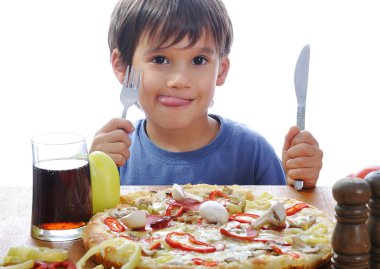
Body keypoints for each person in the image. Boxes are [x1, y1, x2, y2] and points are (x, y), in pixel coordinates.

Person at [90, 0, 323, 188]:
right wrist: (88, 177)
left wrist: (299, 182)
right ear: (122, 67)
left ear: (220, 70)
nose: (179, 80)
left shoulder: (253, 153)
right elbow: (83, 227)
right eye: (159, 59)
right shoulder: (114, 156)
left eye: (199, 60)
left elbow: (286, 226)